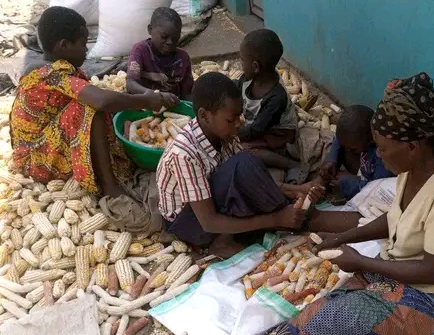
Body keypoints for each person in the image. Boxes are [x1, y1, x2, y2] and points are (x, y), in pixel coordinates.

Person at [170, 72, 434, 335]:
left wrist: (363, 262)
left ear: (412, 147)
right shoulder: (414, 170)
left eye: (383, 149)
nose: (378, 156)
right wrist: (345, 237)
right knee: (318, 304)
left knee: (330, 318)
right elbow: (395, 218)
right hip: (404, 275)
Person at [157, 71, 332, 258]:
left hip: (211, 201)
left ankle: (289, 214)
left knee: (248, 168)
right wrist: (274, 219)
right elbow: (208, 221)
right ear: (205, 116)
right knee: (245, 167)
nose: (239, 123)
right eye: (231, 119)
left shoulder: (223, 131)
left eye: (239, 116)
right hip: (191, 224)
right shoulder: (184, 155)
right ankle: (220, 243)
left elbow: (245, 176)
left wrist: (293, 190)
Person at [10, 7, 179, 197]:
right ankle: (109, 187)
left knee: (105, 101)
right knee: (90, 107)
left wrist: (132, 103)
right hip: (34, 158)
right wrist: (145, 101)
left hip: (45, 142)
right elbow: (101, 100)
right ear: (63, 45)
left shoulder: (60, 69)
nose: (86, 49)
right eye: (83, 44)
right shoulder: (53, 75)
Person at [234, 29, 308, 182]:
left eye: (242, 61)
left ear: (255, 66)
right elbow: (235, 90)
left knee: (245, 149)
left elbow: (257, 129)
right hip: (259, 124)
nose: (240, 64)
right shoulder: (248, 78)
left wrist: (232, 132)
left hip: (277, 132)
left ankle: (292, 165)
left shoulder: (276, 97)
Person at [319, 104, 395, 199]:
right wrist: (332, 158)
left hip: (374, 181)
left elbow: (377, 189)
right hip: (363, 169)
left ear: (371, 140)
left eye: (353, 149)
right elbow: (340, 139)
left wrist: (349, 184)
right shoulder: (357, 139)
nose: (348, 150)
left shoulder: (383, 159)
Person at [126, 7, 193, 100]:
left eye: (175, 38)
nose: (170, 42)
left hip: (173, 106)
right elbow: (130, 84)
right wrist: (158, 96)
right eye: (164, 37)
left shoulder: (182, 58)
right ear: (150, 29)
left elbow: (187, 92)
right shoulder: (140, 50)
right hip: (144, 104)